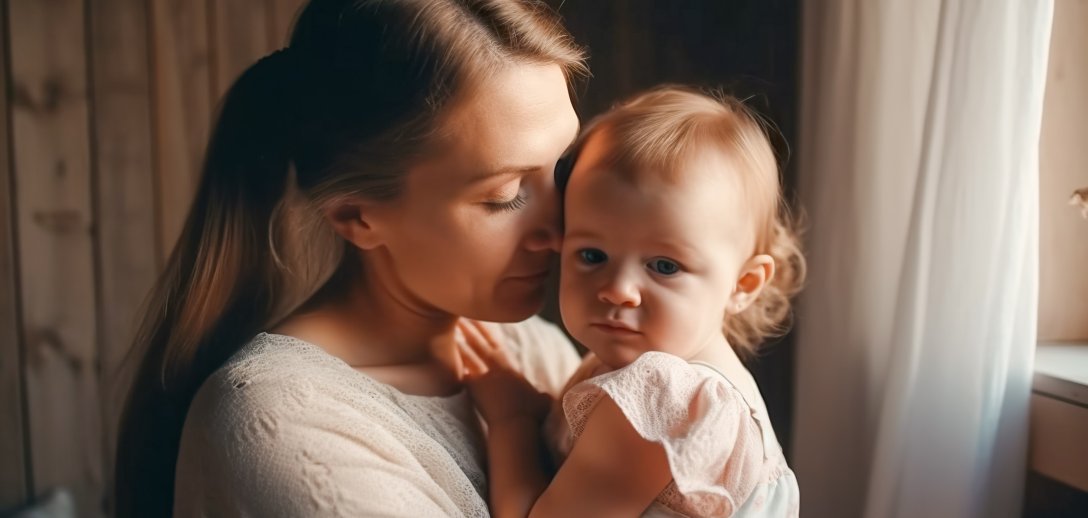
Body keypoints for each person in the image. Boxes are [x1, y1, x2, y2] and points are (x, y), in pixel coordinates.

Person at [113, 0, 588, 516]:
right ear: (357, 217)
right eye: (506, 195)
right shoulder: (281, 424)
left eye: (562, 168)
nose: (562, 231)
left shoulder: (532, 350)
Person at [457, 86, 805, 517]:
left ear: (743, 284)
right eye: (592, 256)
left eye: (663, 266)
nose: (618, 289)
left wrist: (511, 422)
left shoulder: (664, 400)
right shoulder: (657, 371)